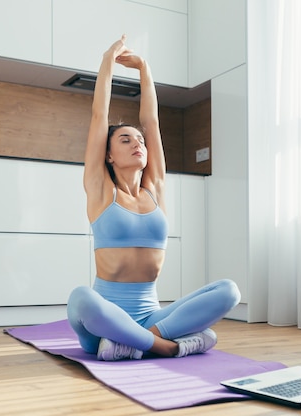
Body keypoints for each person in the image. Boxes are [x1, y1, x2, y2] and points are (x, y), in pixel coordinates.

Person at [67, 35, 240, 361]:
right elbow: (98, 118)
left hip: (152, 317)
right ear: (108, 155)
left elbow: (152, 122)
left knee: (229, 291)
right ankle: (166, 347)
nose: (137, 143)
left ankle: (139, 342)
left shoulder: (155, 189)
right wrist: (107, 63)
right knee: (81, 298)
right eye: (124, 139)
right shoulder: (101, 189)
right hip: (104, 322)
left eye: (140, 140)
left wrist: (145, 69)